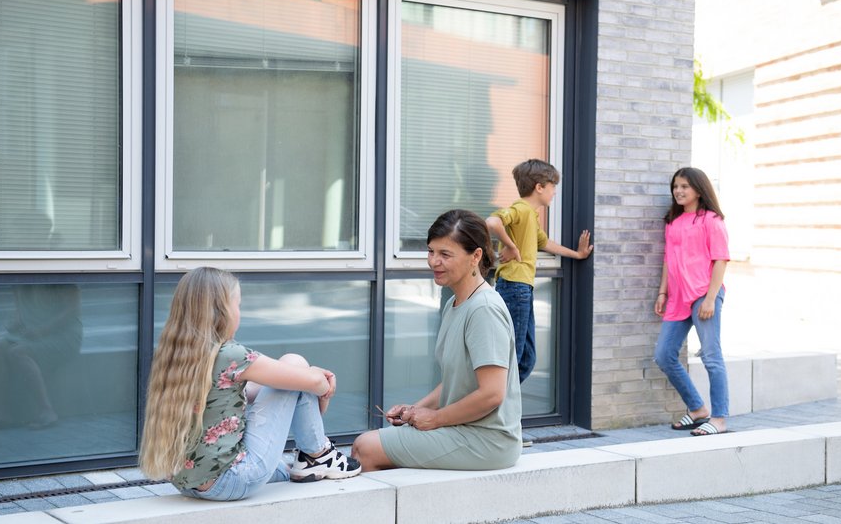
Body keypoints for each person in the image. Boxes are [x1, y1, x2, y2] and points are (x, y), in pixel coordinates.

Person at [139, 267, 360, 501]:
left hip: (188, 482)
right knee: (295, 362)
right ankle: (318, 454)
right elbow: (313, 382)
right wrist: (323, 387)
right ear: (221, 311)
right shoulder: (230, 354)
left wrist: (302, 387)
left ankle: (309, 461)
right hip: (231, 480)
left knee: (286, 470)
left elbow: (243, 393)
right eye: (238, 305)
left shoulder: (177, 355)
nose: (239, 312)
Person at [352, 209, 522, 471]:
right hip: (463, 430)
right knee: (369, 446)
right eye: (431, 251)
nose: (434, 261)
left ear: (475, 256)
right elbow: (457, 381)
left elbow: (492, 394)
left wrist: (436, 418)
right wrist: (415, 410)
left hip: (488, 441)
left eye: (445, 254)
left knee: (366, 448)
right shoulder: (455, 304)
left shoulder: (483, 309)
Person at [486, 159, 593, 383]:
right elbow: (492, 222)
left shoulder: (531, 216)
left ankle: (500, 404)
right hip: (513, 287)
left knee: (527, 359)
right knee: (511, 358)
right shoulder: (521, 209)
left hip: (522, 288)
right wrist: (511, 246)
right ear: (539, 187)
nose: (554, 192)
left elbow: (544, 243)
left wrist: (578, 255)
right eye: (553, 186)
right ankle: (494, 409)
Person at [654, 167, 730, 436]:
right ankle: (698, 409)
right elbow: (668, 259)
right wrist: (663, 292)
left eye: (685, 186)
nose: (679, 191)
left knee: (711, 356)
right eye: (675, 186)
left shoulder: (711, 220)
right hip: (677, 298)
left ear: (699, 189)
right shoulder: (673, 222)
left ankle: (719, 418)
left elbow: (720, 259)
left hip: (703, 294)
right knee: (663, 355)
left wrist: (710, 298)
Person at [0, 284, 82, 431]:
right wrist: (15, 324)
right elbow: (21, 309)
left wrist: (41, 331)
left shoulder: (58, 272)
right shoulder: (17, 275)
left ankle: (47, 411)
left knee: (18, 352)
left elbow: (72, 311)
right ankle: (1, 414)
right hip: (32, 331)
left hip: (62, 335)